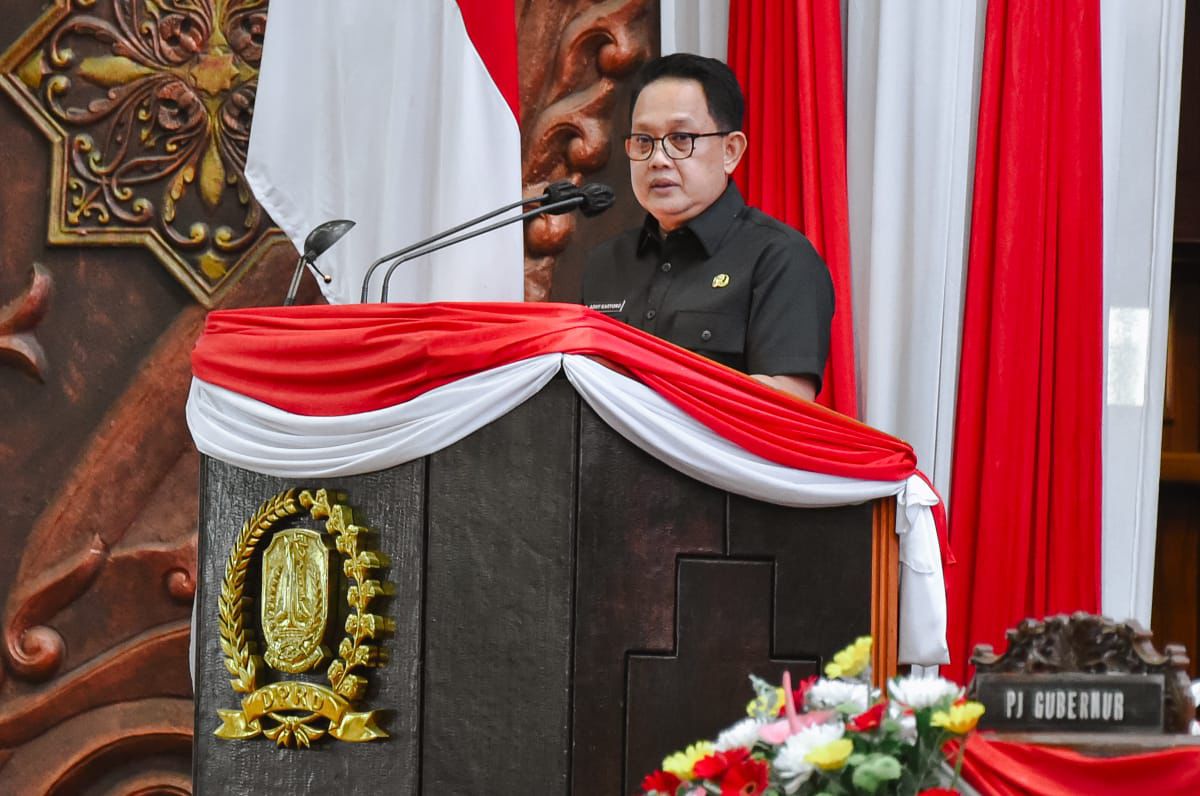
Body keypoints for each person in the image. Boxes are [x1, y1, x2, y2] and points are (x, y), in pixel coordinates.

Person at [582, 53, 833, 401]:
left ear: (731, 150)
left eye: (681, 138)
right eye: (643, 141)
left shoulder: (779, 258)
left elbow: (787, 404)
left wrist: (657, 391)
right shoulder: (605, 263)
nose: (657, 159)